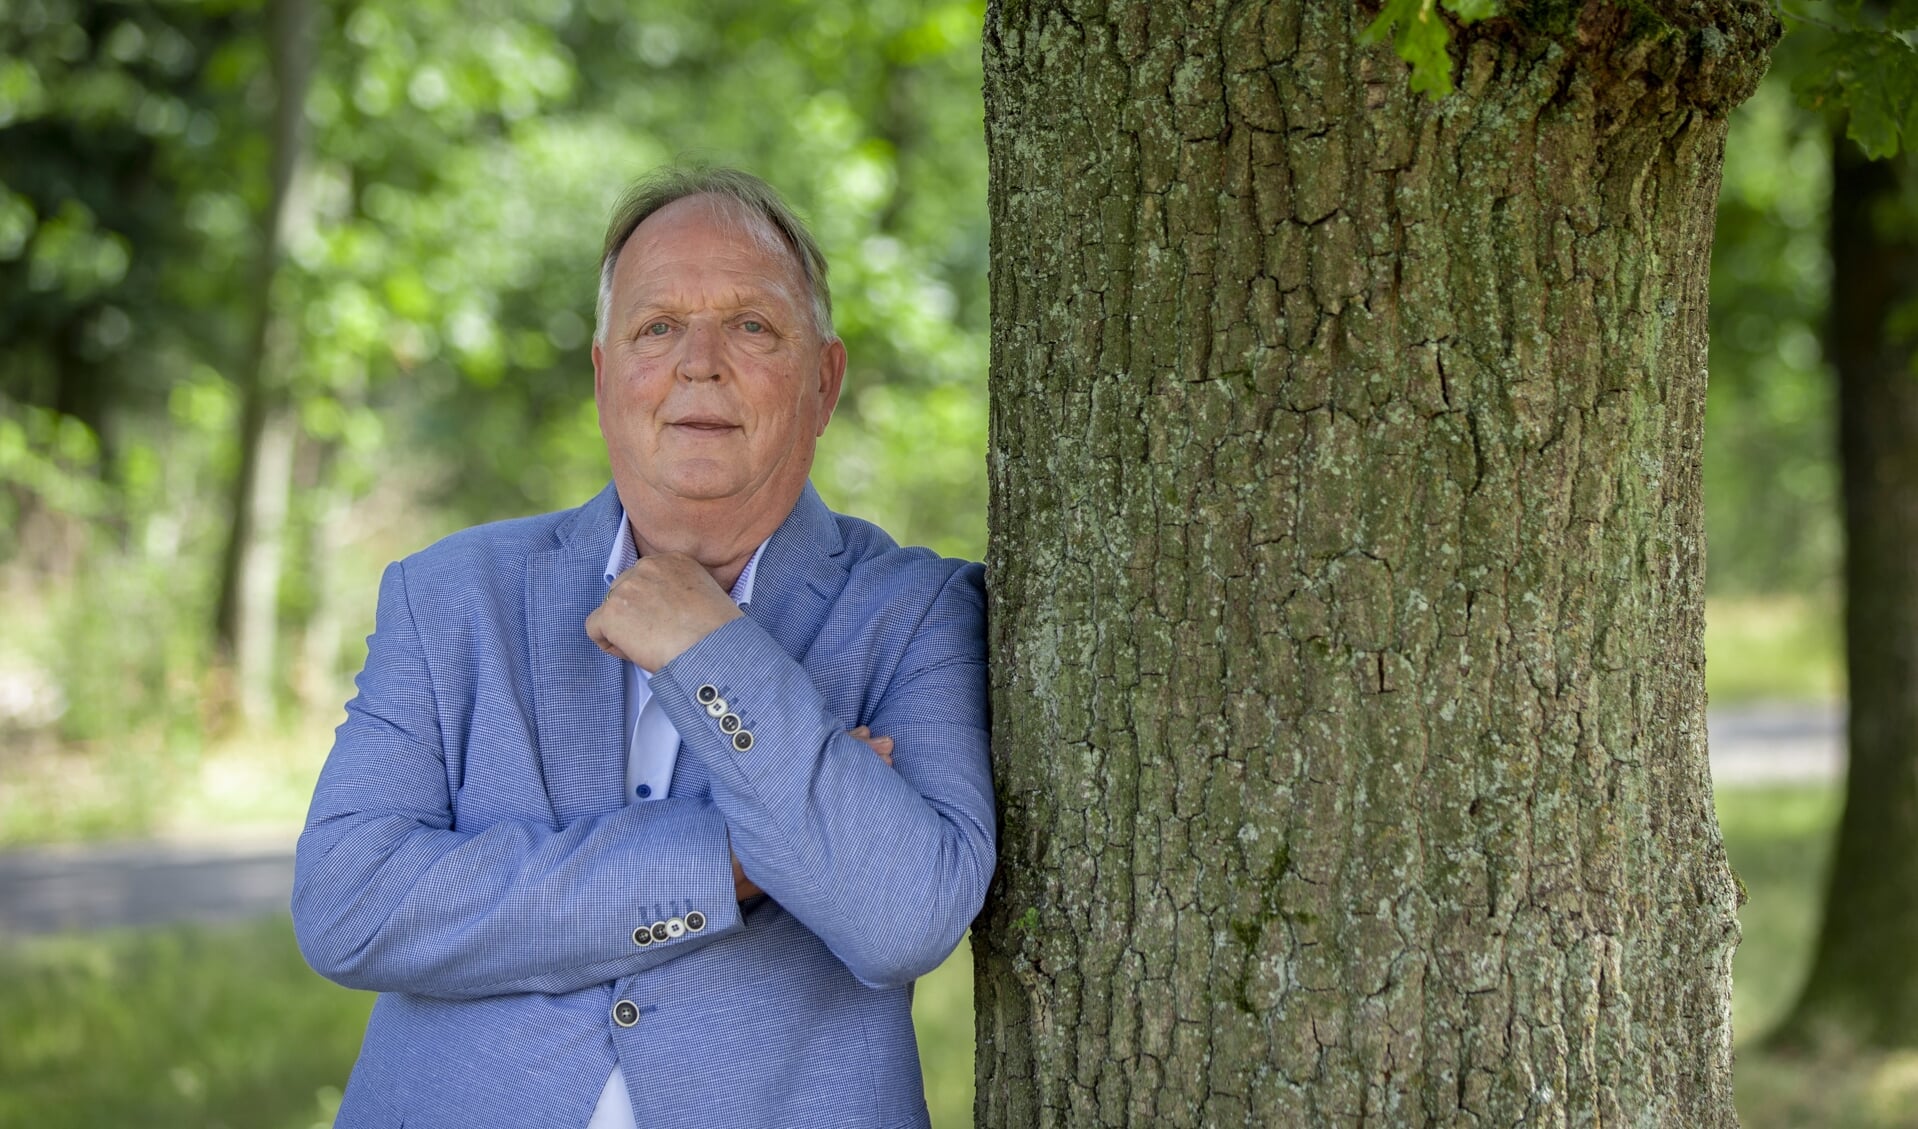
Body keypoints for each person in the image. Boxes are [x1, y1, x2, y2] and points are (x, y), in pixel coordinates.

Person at [291, 166, 995, 1129]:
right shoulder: (450, 594)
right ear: (602, 374)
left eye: (751, 325)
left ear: (824, 381)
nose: (698, 361)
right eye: (657, 326)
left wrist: (711, 646)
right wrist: (727, 860)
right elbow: (351, 903)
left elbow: (902, 916)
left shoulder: (921, 607)